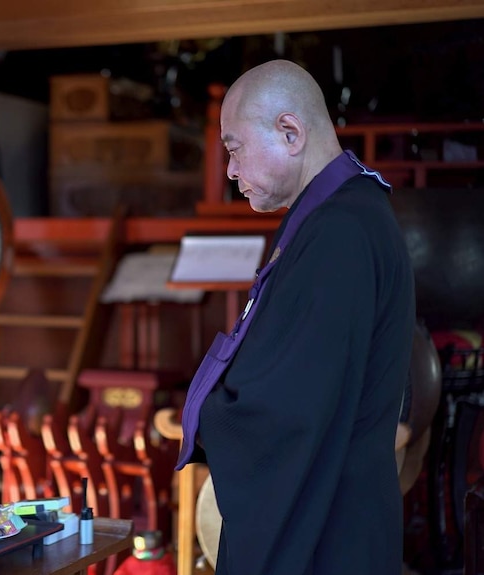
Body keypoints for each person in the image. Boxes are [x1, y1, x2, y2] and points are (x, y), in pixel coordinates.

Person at [175, 59, 416, 575]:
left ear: (290, 132)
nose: (231, 172)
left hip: (329, 530)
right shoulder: (342, 214)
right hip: (341, 514)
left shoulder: (339, 233)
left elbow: (289, 406)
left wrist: (207, 414)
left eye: (234, 148)